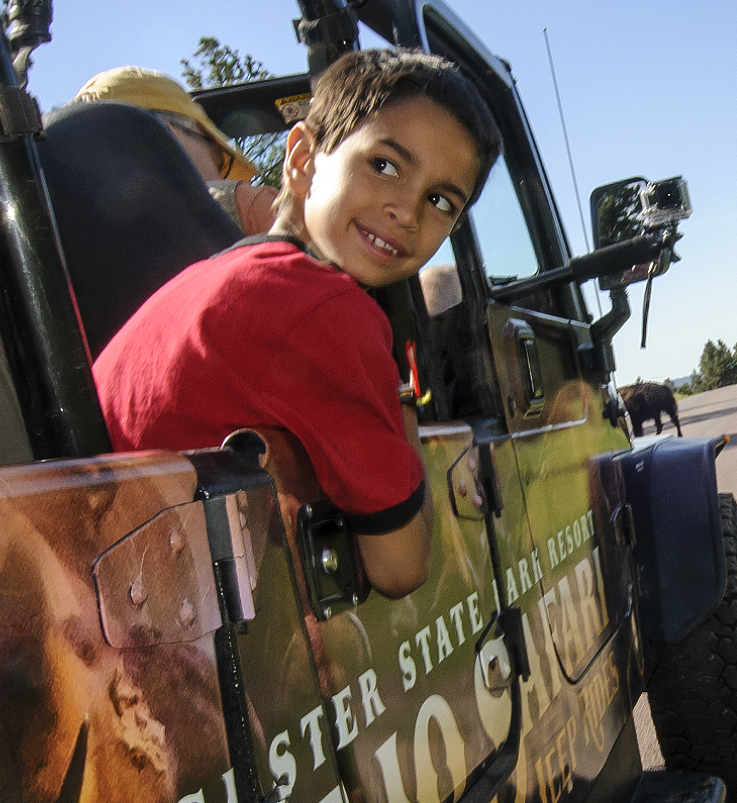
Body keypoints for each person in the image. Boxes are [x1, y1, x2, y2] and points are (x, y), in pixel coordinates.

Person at [93, 49, 501, 597]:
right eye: (384, 165)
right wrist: (401, 398)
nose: (407, 211)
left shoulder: (213, 276)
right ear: (303, 158)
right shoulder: (325, 310)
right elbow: (401, 568)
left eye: (440, 200)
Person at [71, 66, 280, 235]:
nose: (219, 158)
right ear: (165, 135)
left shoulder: (83, 247)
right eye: (208, 138)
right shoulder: (245, 204)